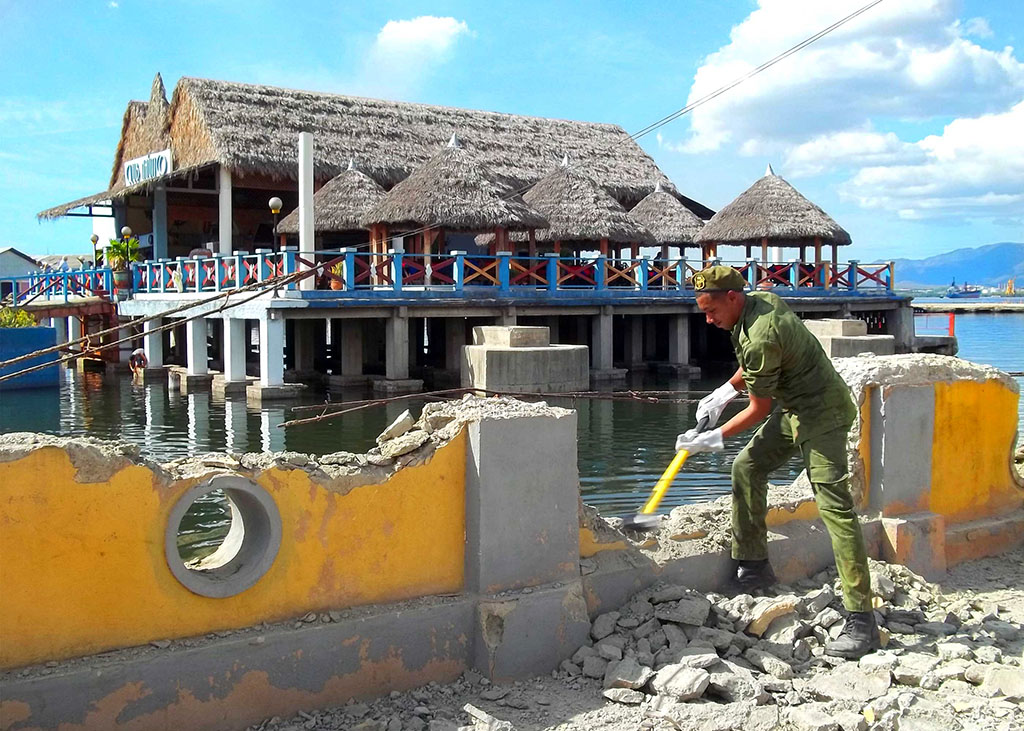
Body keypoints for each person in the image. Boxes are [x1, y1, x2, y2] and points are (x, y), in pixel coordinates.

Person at [675, 265, 879, 659]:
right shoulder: (759, 302)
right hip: (795, 408)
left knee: (835, 509)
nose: (708, 319)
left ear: (732, 298)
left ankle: (861, 622)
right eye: (703, 311)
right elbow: (755, 372)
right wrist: (724, 391)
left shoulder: (761, 334)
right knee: (746, 467)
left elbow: (758, 407)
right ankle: (754, 568)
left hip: (823, 415)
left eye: (711, 310)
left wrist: (711, 439)